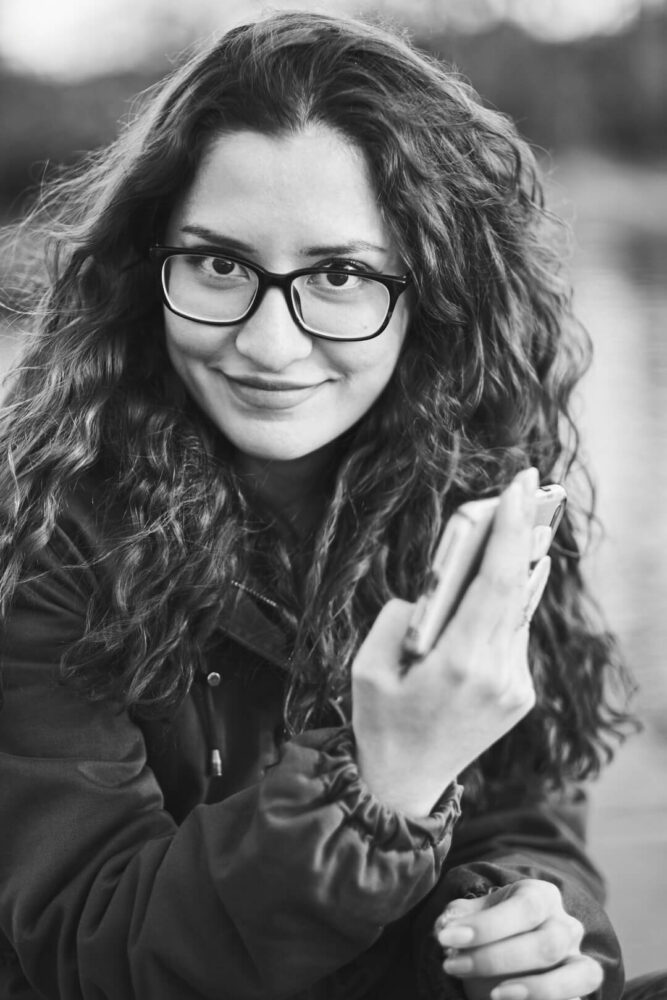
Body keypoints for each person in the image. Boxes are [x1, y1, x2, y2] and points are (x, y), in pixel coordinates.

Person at [0, 10, 661, 1000]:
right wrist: (376, 792)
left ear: (435, 291)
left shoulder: (479, 499)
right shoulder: (48, 539)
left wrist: (527, 917)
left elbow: (522, 818)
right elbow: (91, 950)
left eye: (339, 273)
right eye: (220, 263)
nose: (268, 344)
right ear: (152, 267)